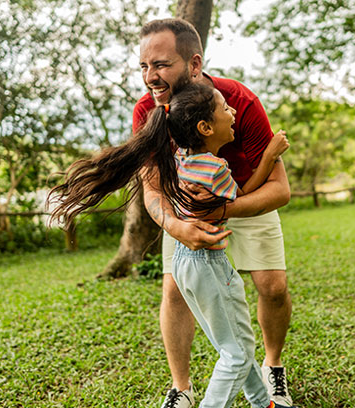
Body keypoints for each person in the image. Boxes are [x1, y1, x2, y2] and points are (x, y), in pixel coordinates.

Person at [48, 83, 293, 408]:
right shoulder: (217, 169)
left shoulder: (178, 158)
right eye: (224, 110)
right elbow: (247, 193)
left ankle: (263, 403)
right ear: (205, 128)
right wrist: (270, 156)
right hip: (210, 264)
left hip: (182, 260)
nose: (232, 112)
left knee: (231, 340)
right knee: (237, 353)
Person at [134, 19, 295, 407]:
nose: (150, 78)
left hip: (243, 195)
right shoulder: (147, 112)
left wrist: (222, 207)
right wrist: (175, 224)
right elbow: (152, 187)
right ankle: (181, 388)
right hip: (187, 212)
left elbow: (280, 190)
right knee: (173, 290)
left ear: (193, 64)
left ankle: (271, 370)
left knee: (272, 287)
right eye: (143, 67)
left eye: (161, 65)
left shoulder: (238, 101)